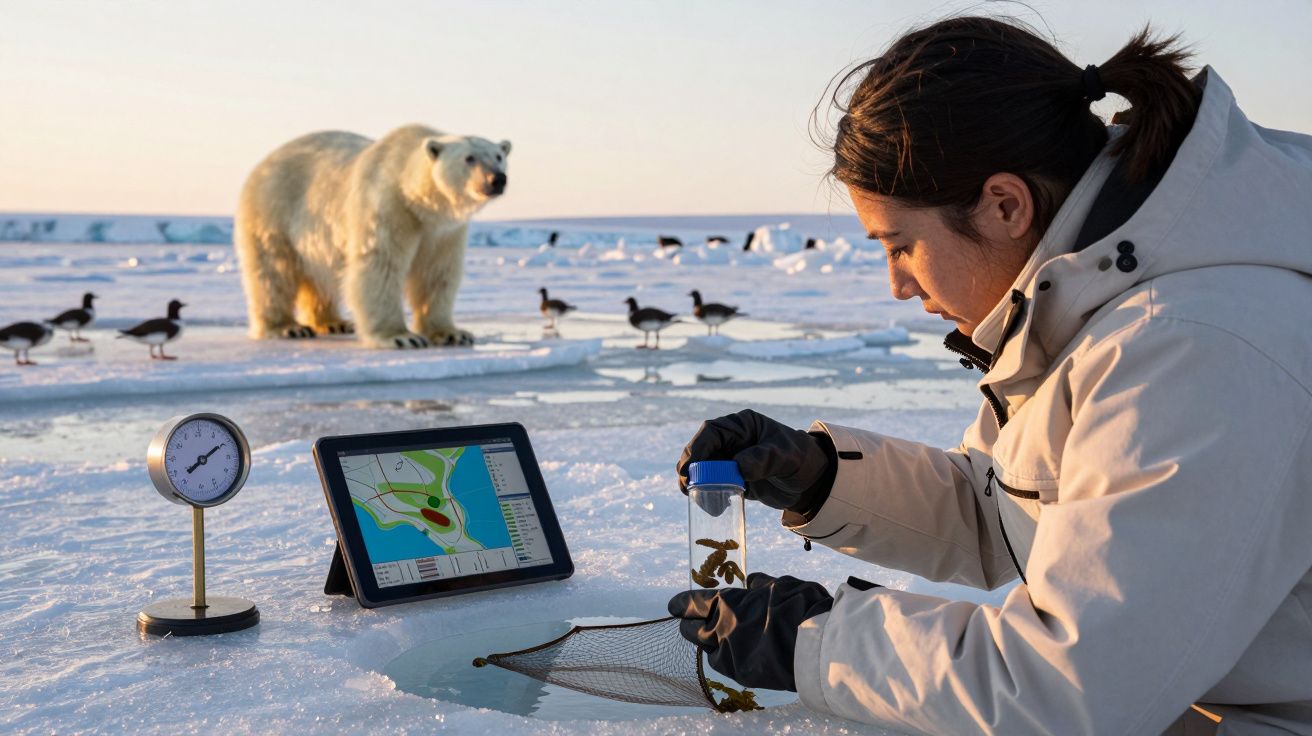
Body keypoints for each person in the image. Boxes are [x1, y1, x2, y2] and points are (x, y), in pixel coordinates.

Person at [668, 15, 1312, 736]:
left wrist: (816, 639)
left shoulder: (1193, 348)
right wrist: (822, 475)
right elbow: (1011, 512)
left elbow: (1071, 690)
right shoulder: (1087, 304)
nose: (897, 286)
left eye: (902, 246)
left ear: (1005, 205)